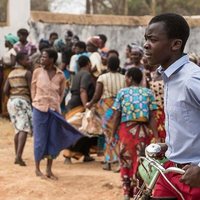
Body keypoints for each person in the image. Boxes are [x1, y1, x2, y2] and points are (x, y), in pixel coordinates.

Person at [144, 13, 200, 199]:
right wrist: (168, 146)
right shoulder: (169, 77)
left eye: (152, 39)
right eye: (146, 39)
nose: (145, 45)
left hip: (194, 176)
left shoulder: (192, 80)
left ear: (175, 44)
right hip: (171, 169)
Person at [31, 48, 83, 179]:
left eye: (44, 57)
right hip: (39, 109)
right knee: (39, 139)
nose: (42, 59)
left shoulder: (60, 75)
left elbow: (61, 93)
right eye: (41, 57)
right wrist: (36, 102)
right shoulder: (37, 72)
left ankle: (49, 169)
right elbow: (33, 89)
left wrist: (55, 105)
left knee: (52, 139)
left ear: (52, 59)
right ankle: (37, 169)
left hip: (54, 111)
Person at [111, 68, 158, 200]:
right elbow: (152, 117)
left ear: (130, 78)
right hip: (143, 132)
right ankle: (139, 191)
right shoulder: (148, 93)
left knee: (125, 159)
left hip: (126, 130)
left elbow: (117, 115)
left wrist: (112, 134)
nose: (125, 80)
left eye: (126, 77)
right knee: (141, 161)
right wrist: (156, 135)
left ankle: (126, 192)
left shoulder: (122, 93)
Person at [86, 56, 126, 171]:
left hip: (107, 108)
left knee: (108, 134)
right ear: (118, 66)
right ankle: (118, 160)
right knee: (118, 133)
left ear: (107, 65)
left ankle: (108, 161)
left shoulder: (102, 78)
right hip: (120, 107)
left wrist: (91, 103)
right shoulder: (124, 78)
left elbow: (97, 95)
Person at [63, 55, 96, 163]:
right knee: (78, 130)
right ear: (88, 64)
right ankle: (68, 155)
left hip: (73, 103)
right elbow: (83, 90)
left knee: (85, 131)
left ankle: (86, 154)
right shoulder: (86, 74)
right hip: (79, 105)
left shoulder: (77, 74)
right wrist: (86, 105)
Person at [3, 52, 32, 166]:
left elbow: (5, 90)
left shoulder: (11, 73)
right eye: (27, 59)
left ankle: (17, 155)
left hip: (12, 102)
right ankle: (19, 156)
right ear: (20, 60)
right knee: (24, 129)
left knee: (17, 128)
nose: (29, 61)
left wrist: (13, 97)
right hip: (22, 101)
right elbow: (31, 90)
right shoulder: (27, 73)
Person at [1, 33, 19, 117]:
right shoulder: (8, 51)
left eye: (6, 41)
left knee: (7, 89)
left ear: (9, 42)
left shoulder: (13, 51)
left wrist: (3, 62)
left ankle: (7, 112)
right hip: (5, 72)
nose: (4, 42)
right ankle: (4, 111)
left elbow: (12, 63)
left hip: (9, 72)